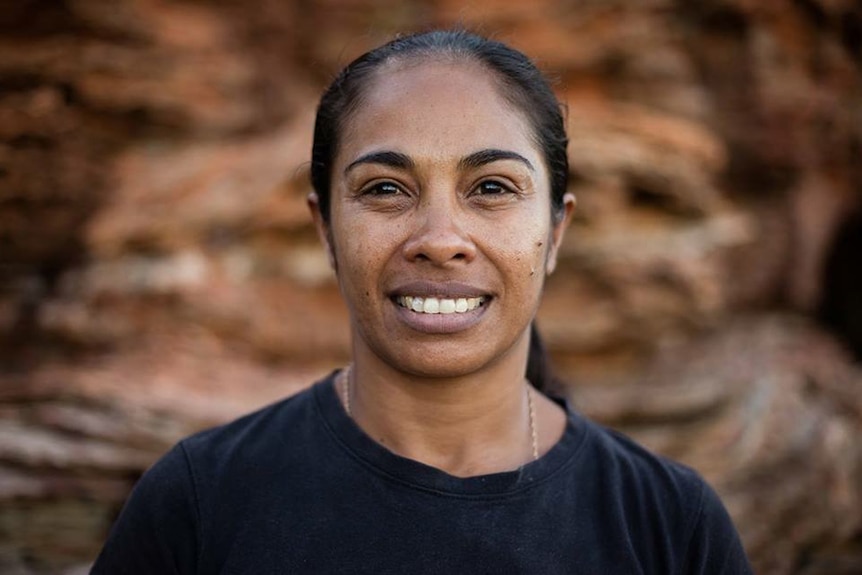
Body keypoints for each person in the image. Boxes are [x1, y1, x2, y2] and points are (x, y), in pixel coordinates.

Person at [92, 30, 753, 573]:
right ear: (325, 229)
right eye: (385, 189)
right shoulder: (202, 502)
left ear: (555, 230)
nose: (440, 240)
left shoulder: (671, 525)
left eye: (491, 187)